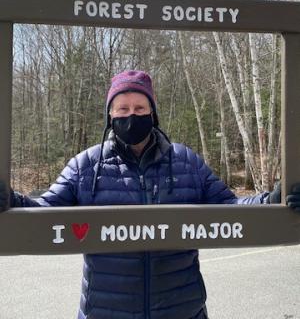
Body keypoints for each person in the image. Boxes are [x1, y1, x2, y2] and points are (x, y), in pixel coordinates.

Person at [0, 69, 300, 319]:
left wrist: (272, 200)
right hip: (105, 311)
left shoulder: (186, 161)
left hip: (181, 309)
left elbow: (231, 207)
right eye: (123, 109)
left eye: (140, 109)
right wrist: (11, 201)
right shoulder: (85, 166)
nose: (132, 116)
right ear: (110, 115)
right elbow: (42, 212)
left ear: (153, 113)